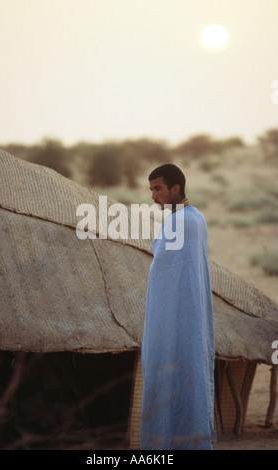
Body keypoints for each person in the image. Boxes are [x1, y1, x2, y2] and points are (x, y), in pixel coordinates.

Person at [140, 163, 216, 450]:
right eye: (151, 190)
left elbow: (163, 272)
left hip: (173, 318)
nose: (153, 196)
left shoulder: (178, 222)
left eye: (158, 189)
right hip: (191, 317)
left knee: (167, 369)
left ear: (176, 188)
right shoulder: (197, 218)